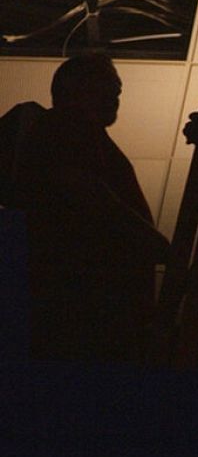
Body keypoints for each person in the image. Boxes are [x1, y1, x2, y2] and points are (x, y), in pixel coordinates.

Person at [8, 53, 170, 362]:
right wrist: (152, 241)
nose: (117, 95)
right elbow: (84, 189)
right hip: (87, 312)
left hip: (90, 312)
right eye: (110, 85)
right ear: (78, 87)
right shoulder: (66, 127)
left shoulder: (72, 133)